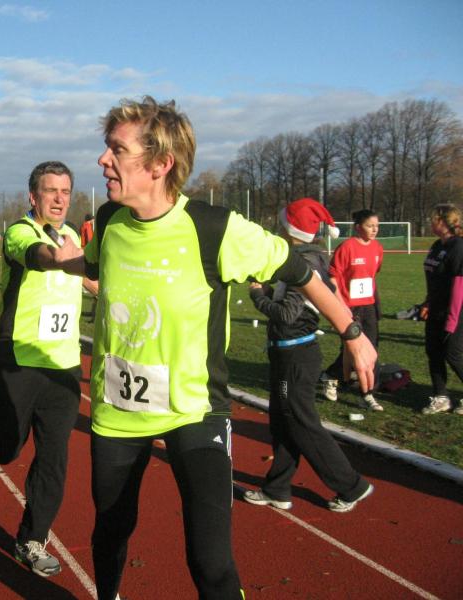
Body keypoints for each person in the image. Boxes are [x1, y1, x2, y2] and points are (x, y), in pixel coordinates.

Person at [48, 96, 376, 600]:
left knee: (210, 559)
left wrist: (353, 335)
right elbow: (92, 266)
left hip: (195, 411)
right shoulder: (109, 219)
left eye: (117, 150)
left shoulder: (215, 229)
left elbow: (302, 274)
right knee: (111, 530)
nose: (103, 160)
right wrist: (60, 261)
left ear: (160, 164)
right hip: (118, 412)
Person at [0, 161, 88, 578]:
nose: (59, 199)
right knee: (7, 449)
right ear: (33, 196)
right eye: (51, 191)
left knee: (54, 459)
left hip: (63, 367)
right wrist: (58, 256)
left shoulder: (73, 236)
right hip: (18, 361)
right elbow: (37, 255)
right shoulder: (19, 232)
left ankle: (31, 539)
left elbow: (92, 279)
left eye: (65, 191)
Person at [245, 198, 374, 515]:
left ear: (289, 229)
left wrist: (257, 295)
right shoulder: (302, 258)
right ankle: (277, 488)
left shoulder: (302, 264)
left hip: (295, 356)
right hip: (288, 353)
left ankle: (352, 485)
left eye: (281, 223)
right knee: (282, 420)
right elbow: (293, 305)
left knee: (300, 421)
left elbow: (286, 314)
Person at [321, 209, 384, 411]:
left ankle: (366, 392)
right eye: (370, 226)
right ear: (358, 227)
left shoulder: (377, 248)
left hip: (369, 305)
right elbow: (332, 278)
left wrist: (374, 303)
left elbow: (372, 276)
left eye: (376, 226)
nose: (374, 229)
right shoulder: (347, 247)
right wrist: (341, 304)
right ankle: (334, 377)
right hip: (349, 306)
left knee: (371, 348)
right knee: (351, 349)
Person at [421, 204, 463, 415]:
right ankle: (441, 396)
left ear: (444, 222)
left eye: (434, 219)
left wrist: (452, 318)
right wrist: (428, 302)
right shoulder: (437, 245)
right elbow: (433, 278)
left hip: (456, 311)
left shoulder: (458, 246)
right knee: (433, 351)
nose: (431, 222)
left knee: (452, 353)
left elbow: (459, 285)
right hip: (436, 309)